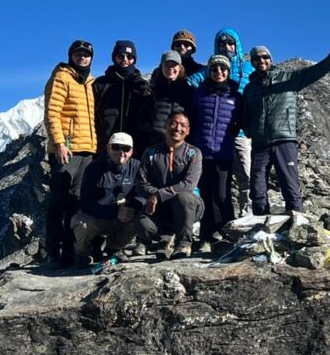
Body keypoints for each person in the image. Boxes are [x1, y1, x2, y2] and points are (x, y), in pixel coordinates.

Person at [242, 33, 330, 216]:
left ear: (270, 59)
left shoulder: (288, 78)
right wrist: (251, 131)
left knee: (290, 185)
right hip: (260, 145)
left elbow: (316, 71)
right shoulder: (250, 88)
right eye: (257, 58)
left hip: (285, 140)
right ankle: (259, 227)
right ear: (252, 61)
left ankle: (296, 225)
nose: (261, 60)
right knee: (257, 188)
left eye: (265, 57)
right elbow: (245, 115)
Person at [188, 28, 255, 215]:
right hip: (213, 134)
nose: (227, 47)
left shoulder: (248, 68)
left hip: (240, 132)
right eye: (222, 44)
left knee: (245, 175)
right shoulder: (211, 68)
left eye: (231, 43)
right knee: (210, 177)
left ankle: (246, 215)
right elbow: (190, 83)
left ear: (237, 45)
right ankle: (202, 217)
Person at [43, 39, 97, 268]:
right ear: (71, 56)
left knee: (77, 204)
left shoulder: (91, 82)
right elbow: (52, 113)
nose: (82, 57)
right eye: (78, 54)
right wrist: (58, 144)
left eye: (86, 54)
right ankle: (53, 253)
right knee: (58, 203)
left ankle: (71, 252)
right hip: (67, 149)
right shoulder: (62, 77)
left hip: (88, 150)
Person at [187, 54, 243, 245]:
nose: (219, 72)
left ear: (227, 71)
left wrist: (235, 131)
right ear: (209, 71)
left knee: (222, 194)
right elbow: (192, 118)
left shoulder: (235, 96)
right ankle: (206, 236)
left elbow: (243, 118)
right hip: (202, 152)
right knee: (206, 193)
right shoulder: (199, 93)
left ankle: (227, 232)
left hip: (223, 153)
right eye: (214, 69)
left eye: (223, 69)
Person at [70, 132, 144, 268]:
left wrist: (131, 208)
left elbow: (143, 194)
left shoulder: (137, 167)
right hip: (97, 218)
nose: (121, 152)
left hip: (121, 219)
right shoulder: (93, 168)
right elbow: (86, 203)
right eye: (116, 147)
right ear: (108, 148)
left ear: (131, 152)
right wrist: (115, 211)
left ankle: (113, 248)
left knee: (140, 219)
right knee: (81, 221)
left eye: (126, 149)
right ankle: (81, 254)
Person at [137, 112, 202, 259]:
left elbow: (188, 184)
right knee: (143, 226)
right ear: (165, 126)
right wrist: (155, 196)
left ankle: (184, 243)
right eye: (173, 123)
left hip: (189, 206)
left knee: (183, 197)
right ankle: (165, 238)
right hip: (160, 206)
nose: (178, 128)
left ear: (188, 131)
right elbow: (141, 184)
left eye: (183, 125)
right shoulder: (151, 152)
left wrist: (159, 195)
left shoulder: (194, 153)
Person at [93, 40, 151, 154]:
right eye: (121, 56)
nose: (125, 59)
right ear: (114, 57)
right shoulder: (101, 83)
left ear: (134, 59)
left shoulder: (141, 85)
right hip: (105, 144)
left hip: (135, 146)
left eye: (129, 56)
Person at [145, 50, 191, 146]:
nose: (170, 68)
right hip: (156, 142)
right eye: (167, 65)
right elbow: (141, 117)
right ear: (161, 67)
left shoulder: (187, 91)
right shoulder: (152, 89)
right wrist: (151, 130)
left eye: (174, 65)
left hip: (180, 144)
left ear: (180, 68)